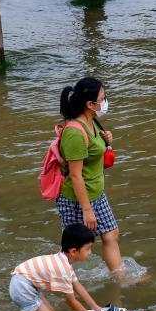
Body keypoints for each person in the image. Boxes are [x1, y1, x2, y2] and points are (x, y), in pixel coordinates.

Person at [57, 77, 124, 277]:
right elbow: (76, 176)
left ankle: (120, 277)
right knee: (75, 248)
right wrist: (87, 210)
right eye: (102, 98)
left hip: (96, 192)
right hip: (77, 199)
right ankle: (62, 280)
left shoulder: (92, 121)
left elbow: (95, 154)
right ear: (90, 104)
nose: (105, 102)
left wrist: (107, 141)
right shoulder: (75, 133)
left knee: (111, 234)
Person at [9, 223, 103, 311]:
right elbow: (71, 301)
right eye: (88, 248)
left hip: (25, 283)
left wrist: (95, 308)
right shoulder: (62, 269)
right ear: (74, 251)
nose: (90, 252)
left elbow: (77, 285)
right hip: (22, 287)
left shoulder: (63, 261)